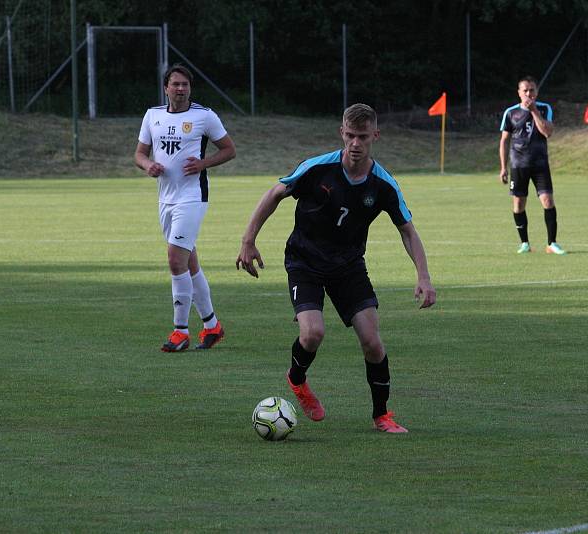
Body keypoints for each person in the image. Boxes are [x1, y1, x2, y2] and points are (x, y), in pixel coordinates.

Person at [236, 103, 436, 433]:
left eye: (363, 136)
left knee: (372, 341)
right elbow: (275, 193)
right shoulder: (318, 169)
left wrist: (424, 276)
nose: (356, 143)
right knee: (313, 333)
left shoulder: (383, 184)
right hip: (305, 260)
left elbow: (407, 230)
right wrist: (248, 239)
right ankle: (297, 379)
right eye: (350, 135)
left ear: (375, 135)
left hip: (348, 266)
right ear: (341, 133)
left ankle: (382, 416)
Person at [135, 64, 236, 352]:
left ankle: (181, 331)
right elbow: (139, 154)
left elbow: (229, 149)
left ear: (190, 88)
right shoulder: (152, 116)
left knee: (175, 260)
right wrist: (148, 165)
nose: (181, 89)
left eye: (185, 85)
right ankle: (212, 325)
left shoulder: (204, 116)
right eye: (175, 84)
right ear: (166, 87)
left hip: (192, 197)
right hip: (165, 199)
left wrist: (203, 164)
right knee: (189, 263)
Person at [499, 76, 566, 255]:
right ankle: (525, 243)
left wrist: (534, 110)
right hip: (518, 164)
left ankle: (552, 243)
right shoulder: (510, 113)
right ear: (519, 93)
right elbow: (504, 141)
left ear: (537, 92)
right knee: (519, 204)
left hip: (540, 164)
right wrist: (503, 167)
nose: (529, 93)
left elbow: (547, 132)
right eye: (525, 90)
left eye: (532, 90)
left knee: (548, 200)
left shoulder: (544, 108)